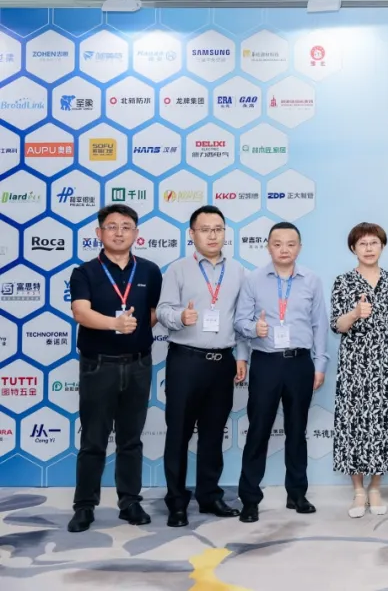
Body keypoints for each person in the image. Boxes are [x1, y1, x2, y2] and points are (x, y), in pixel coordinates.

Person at [67, 204, 162, 533]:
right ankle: (84, 506)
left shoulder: (149, 271)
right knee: (93, 440)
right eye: (111, 226)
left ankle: (130, 502)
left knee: (131, 440)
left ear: (136, 233)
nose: (119, 232)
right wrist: (115, 325)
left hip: (138, 365)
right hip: (98, 366)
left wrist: (133, 333)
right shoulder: (85, 272)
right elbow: (80, 312)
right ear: (99, 233)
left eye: (126, 226)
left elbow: (153, 314)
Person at [156, 205, 247, 527]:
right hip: (186, 361)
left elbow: (241, 319)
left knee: (212, 434)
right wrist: (180, 316)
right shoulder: (178, 270)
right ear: (192, 234)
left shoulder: (237, 271)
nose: (212, 235)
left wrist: (241, 356)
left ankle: (209, 496)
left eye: (218, 229)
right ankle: (177, 502)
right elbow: (163, 310)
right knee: (178, 434)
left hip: (222, 363)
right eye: (205, 229)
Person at [234, 221, 328, 523]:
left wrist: (320, 364)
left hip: (300, 362)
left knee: (297, 431)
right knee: (258, 430)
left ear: (299, 247)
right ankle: (250, 499)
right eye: (277, 244)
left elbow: (319, 324)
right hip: (267, 362)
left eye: (290, 244)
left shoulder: (311, 280)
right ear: (268, 247)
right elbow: (240, 321)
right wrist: (255, 329)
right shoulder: (253, 279)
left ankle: (297, 494)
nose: (284, 249)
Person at [330, 222, 388, 518]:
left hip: (385, 363)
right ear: (353, 248)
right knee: (354, 423)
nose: (369, 248)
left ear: (382, 246)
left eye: (374, 243)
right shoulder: (343, 281)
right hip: (354, 363)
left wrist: (379, 340)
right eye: (362, 243)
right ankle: (358, 490)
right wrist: (354, 314)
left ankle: (375, 487)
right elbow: (337, 325)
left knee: (383, 422)